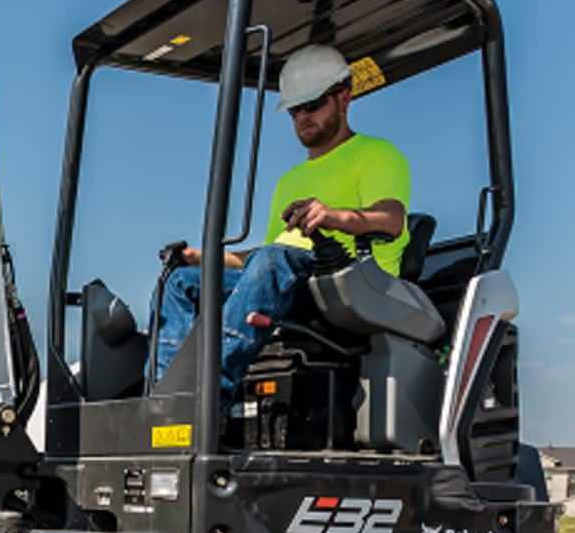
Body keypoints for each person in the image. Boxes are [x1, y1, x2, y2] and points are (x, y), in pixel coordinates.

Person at [152, 43, 411, 397]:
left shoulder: (377, 155)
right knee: (182, 281)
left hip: (347, 286)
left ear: (343, 98)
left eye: (313, 104)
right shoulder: (290, 181)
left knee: (273, 262)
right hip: (285, 276)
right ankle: (165, 397)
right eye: (294, 110)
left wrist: (336, 217)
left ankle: (211, 396)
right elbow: (266, 256)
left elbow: (392, 218)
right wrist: (202, 257)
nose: (303, 116)